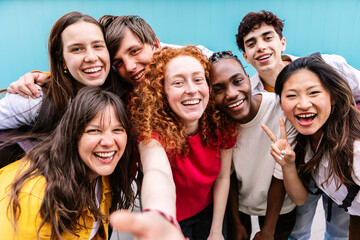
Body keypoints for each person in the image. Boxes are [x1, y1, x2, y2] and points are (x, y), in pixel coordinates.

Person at [236, 10, 360, 239]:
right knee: (299, 229)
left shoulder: (326, 67)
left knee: (341, 227)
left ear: (282, 42)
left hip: (340, 160)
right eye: (251, 43)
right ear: (246, 56)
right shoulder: (249, 95)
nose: (261, 46)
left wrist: (348, 126)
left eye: (267, 37)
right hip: (301, 165)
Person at [128, 46, 237, 240]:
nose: (192, 90)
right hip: (174, 219)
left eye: (198, 79)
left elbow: (222, 178)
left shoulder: (220, 123)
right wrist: (160, 216)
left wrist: (216, 230)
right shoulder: (151, 133)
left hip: (210, 211)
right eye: (178, 82)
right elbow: (156, 172)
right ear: (162, 92)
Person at [0, 86, 134, 239]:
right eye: (94, 131)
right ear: (73, 135)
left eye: (117, 130)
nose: (109, 142)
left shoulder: (101, 176)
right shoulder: (35, 195)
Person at [0, 11, 123, 165]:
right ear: (62, 60)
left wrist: (164, 68)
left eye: (98, 46)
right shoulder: (35, 99)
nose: (91, 57)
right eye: (77, 49)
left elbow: (150, 53)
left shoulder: (122, 86)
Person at [262, 56, 360, 239]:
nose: (304, 104)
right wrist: (288, 165)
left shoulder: (355, 149)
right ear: (281, 104)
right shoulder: (308, 142)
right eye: (291, 95)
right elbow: (300, 199)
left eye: (313, 93)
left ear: (333, 98)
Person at [7, 15, 212, 98]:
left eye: (135, 51)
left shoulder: (187, 65)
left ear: (157, 44)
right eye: (118, 62)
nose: (130, 67)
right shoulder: (118, 85)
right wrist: (47, 78)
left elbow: (212, 58)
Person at [209, 51, 297, 240]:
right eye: (218, 89)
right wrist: (237, 223)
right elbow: (228, 176)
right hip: (240, 204)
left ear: (249, 79)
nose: (231, 94)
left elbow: (280, 175)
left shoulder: (279, 108)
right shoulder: (219, 121)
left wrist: (268, 230)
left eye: (237, 81)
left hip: (280, 206)